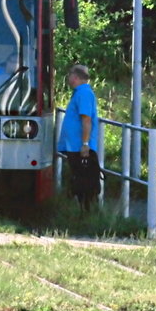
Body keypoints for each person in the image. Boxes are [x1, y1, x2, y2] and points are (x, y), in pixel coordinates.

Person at [59, 63, 101, 210]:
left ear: (75, 77)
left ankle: (87, 209)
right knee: (78, 178)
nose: (68, 78)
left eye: (70, 75)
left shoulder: (83, 94)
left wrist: (85, 143)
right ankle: (81, 208)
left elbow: (86, 119)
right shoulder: (79, 93)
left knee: (84, 180)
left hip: (80, 147)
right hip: (74, 145)